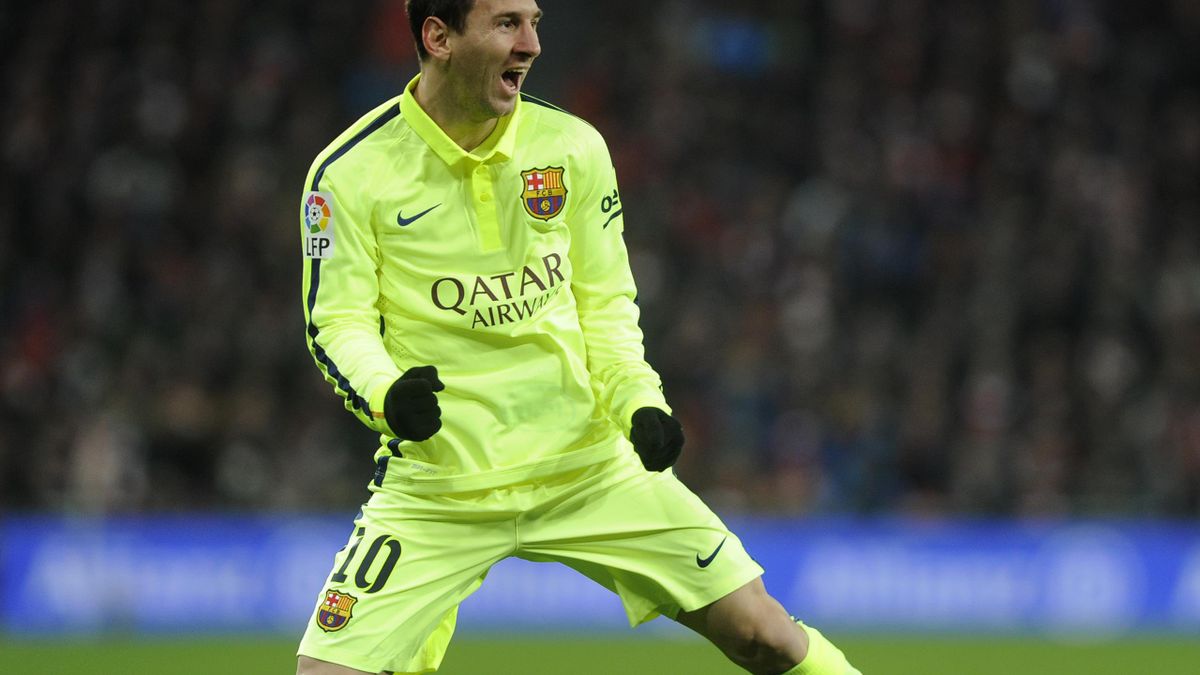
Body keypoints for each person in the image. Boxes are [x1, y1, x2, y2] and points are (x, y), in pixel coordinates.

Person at [295, 1, 861, 673]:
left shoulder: (573, 147)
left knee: (764, 632)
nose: (531, 44)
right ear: (439, 37)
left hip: (589, 465)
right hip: (442, 487)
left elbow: (606, 305)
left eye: (534, 22)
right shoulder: (349, 173)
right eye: (507, 23)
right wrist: (387, 395)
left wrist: (639, 401)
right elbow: (339, 322)